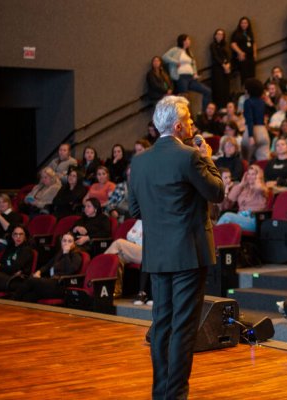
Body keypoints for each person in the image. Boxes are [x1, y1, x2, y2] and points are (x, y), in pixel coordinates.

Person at [127, 95, 224, 400]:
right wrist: (207, 157)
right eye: (191, 122)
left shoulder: (139, 161)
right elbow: (217, 192)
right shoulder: (189, 157)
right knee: (183, 328)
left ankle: (161, 393)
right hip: (188, 254)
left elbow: (135, 211)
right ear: (179, 125)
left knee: (162, 326)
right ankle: (176, 395)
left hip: (157, 255)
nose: (193, 126)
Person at [13, 232, 83, 303]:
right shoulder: (60, 253)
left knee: (31, 280)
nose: (66, 243)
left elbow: (70, 270)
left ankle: (12, 301)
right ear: (61, 242)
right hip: (51, 282)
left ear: (74, 244)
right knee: (29, 296)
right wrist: (39, 272)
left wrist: (66, 254)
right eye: (64, 240)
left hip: (61, 285)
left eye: (69, 241)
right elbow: (48, 265)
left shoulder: (76, 255)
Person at [163, 35, 212, 109]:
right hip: (181, 77)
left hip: (190, 78)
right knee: (184, 97)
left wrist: (195, 73)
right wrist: (176, 62)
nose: (189, 41)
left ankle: (204, 113)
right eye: (188, 39)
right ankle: (185, 116)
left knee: (207, 91)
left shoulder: (189, 52)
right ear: (183, 41)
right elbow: (165, 57)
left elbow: (193, 64)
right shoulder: (175, 49)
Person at [217, 165, 268, 233]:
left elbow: (259, 188)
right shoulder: (243, 189)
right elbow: (227, 204)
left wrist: (258, 179)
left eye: (253, 174)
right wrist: (241, 184)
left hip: (253, 220)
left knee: (227, 216)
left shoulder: (262, 189)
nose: (250, 176)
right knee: (225, 226)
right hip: (240, 217)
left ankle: (212, 240)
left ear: (258, 176)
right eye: (248, 174)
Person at [104, 218, 144, 301]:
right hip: (134, 249)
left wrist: (136, 237)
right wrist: (137, 237)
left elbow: (144, 239)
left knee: (119, 242)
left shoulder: (155, 222)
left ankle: (101, 266)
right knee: (117, 259)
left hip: (147, 251)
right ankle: (115, 291)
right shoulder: (139, 221)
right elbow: (129, 236)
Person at [242, 78, 270, 162]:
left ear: (248, 90)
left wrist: (251, 136)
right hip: (263, 131)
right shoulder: (262, 102)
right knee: (264, 162)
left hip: (252, 131)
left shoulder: (248, 102)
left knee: (246, 161)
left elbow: (250, 119)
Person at [231, 17, 257, 84]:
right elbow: (233, 44)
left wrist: (255, 53)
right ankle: (245, 90)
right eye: (242, 23)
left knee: (252, 75)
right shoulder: (236, 33)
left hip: (250, 57)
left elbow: (253, 43)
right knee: (245, 76)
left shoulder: (249, 33)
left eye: (245, 23)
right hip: (243, 57)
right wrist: (240, 52)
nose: (244, 24)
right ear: (240, 24)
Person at [210, 29, 231, 108]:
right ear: (215, 35)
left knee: (226, 88)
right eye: (218, 34)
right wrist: (223, 64)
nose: (220, 36)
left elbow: (229, 55)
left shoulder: (225, 45)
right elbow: (215, 56)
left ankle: (225, 106)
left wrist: (228, 64)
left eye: (221, 34)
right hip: (217, 69)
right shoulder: (213, 45)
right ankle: (218, 107)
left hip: (226, 69)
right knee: (218, 88)